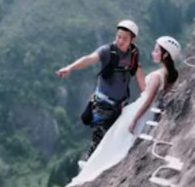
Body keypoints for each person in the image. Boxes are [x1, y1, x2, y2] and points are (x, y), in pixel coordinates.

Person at [66, 35, 181, 186]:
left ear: (165, 54)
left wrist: (134, 119)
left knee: (113, 139)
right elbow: (155, 95)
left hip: (140, 111)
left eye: (156, 50)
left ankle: (93, 167)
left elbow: (147, 100)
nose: (153, 53)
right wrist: (138, 70)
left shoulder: (157, 76)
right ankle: (93, 165)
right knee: (116, 139)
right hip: (149, 113)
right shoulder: (170, 75)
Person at [56, 20, 145, 159]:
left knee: (114, 140)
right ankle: (88, 171)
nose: (120, 41)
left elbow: (138, 72)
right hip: (102, 106)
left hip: (120, 106)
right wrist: (70, 67)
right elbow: (89, 59)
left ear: (133, 40)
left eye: (124, 38)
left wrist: (146, 94)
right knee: (99, 142)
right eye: (118, 36)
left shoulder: (133, 54)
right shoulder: (107, 51)